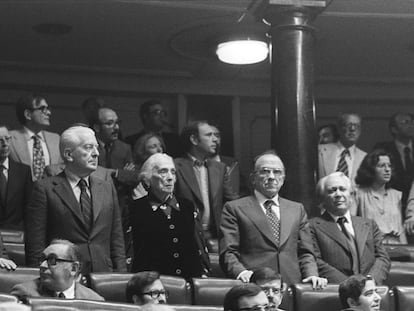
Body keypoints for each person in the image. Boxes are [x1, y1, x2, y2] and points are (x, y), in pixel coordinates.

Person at [25, 125, 126, 275]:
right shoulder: (45, 189)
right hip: (61, 277)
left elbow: (117, 240)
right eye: (88, 148)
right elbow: (35, 244)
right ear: (68, 154)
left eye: (97, 148)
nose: (96, 153)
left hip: (103, 275)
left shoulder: (106, 188)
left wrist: (120, 277)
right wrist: (38, 277)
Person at [219, 150, 326, 287]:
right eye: (265, 171)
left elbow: (305, 252)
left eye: (277, 172)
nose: (271, 177)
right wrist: (241, 273)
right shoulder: (234, 208)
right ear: (253, 178)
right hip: (254, 284)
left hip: (291, 285)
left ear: (283, 177)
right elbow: (228, 252)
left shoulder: (296, 209)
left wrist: (311, 274)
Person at [130, 153, 209, 278]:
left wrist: (203, 271)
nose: (170, 177)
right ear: (147, 179)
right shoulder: (135, 209)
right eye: (163, 172)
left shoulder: (187, 206)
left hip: (189, 279)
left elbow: (199, 245)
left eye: (173, 172)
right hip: (152, 283)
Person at [309, 172, 390, 284]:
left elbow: (382, 258)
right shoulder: (312, 226)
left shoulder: (369, 225)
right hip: (336, 291)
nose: (338, 194)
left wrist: (370, 284)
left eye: (342, 189)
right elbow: (315, 260)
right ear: (323, 198)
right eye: (332, 191)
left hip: (371, 292)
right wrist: (350, 286)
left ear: (351, 195)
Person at [175, 121, 239, 243]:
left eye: (215, 135)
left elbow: (232, 201)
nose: (215, 139)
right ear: (194, 139)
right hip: (185, 235)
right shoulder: (175, 166)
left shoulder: (219, 168)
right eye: (209, 135)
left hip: (215, 236)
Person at [11, 239, 104, 300]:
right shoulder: (24, 294)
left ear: (73, 269)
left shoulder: (94, 300)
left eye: (52, 260)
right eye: (42, 259)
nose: (43, 265)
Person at [355, 149, 407, 244]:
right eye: (382, 166)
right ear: (370, 169)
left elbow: (400, 228)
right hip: (371, 247)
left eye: (389, 166)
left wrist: (407, 253)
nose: (387, 169)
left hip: (396, 247)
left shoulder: (396, 195)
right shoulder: (359, 194)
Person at [9, 94, 62, 181]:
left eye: (48, 109)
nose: (49, 113)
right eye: (42, 109)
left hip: (51, 192)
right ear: (28, 114)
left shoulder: (56, 139)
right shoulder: (9, 139)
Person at [374, 113, 414, 212]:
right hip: (392, 205)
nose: (410, 125)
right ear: (394, 129)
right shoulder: (383, 149)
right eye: (405, 122)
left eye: (412, 122)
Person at [318, 113, 366, 183]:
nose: (352, 129)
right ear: (339, 128)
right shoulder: (321, 151)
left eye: (357, 126)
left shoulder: (365, 158)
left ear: (360, 130)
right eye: (348, 125)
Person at [0, 124, 32, 230]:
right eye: (0, 140)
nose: (5, 144)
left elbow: (30, 209)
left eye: (7, 139)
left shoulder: (24, 171)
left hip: (17, 237)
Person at [131, 133, 165, 200]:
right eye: (153, 147)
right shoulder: (136, 175)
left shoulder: (167, 172)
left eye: (160, 146)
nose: (159, 149)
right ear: (143, 152)